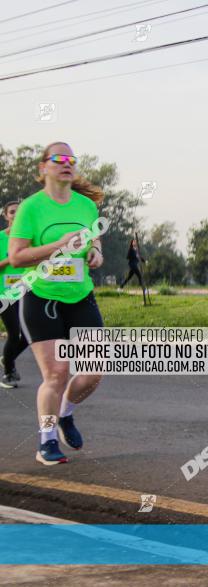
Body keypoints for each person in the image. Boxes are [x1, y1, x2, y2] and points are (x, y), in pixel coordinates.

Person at [8, 141, 106, 465]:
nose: (67, 163)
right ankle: (46, 439)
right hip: (41, 297)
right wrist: (55, 246)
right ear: (43, 168)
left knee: (94, 373)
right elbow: (16, 257)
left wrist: (95, 253)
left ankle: (65, 414)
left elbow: (94, 243)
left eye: (71, 159)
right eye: (58, 158)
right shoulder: (31, 208)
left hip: (80, 296)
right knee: (56, 374)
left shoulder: (86, 207)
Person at [0, 201, 29, 388]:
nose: (16, 215)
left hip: (28, 291)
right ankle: (9, 373)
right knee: (14, 333)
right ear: (5, 216)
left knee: (29, 335)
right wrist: (13, 258)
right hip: (5, 294)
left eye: (20, 211)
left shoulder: (30, 238)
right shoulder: (1, 238)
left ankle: (8, 357)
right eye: (12, 212)